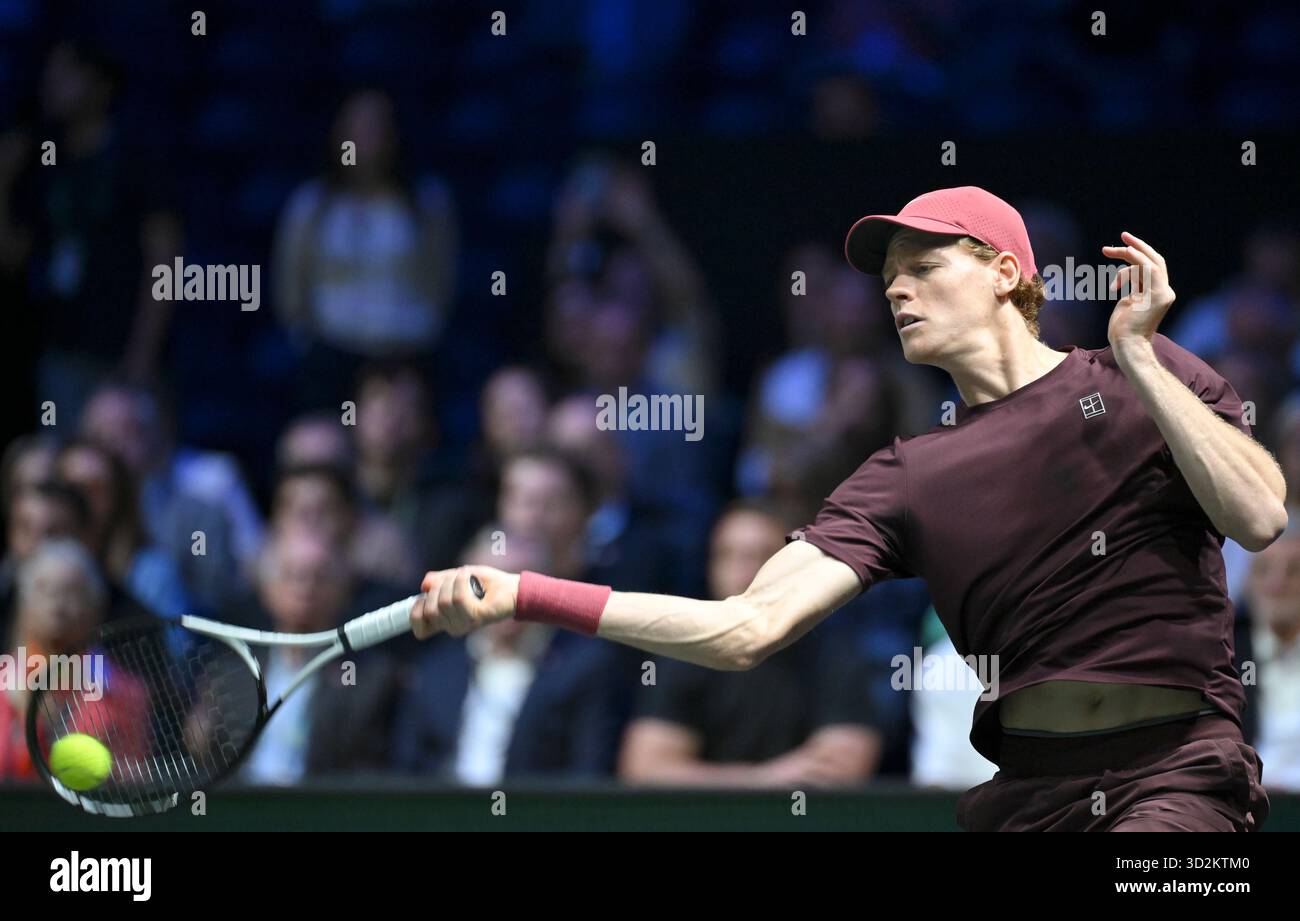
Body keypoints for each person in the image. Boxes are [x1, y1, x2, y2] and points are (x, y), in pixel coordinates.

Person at [410, 187, 1287, 832]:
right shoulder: (907, 474)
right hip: (1029, 798)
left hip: (1178, 780)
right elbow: (744, 626)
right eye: (889, 278)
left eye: (923, 268)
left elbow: (1259, 516)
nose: (895, 291)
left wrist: (1138, 358)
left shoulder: (1141, 376)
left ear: (1006, 273)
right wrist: (529, 591)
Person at [619, 501, 883, 787]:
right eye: (727, 556)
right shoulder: (683, 653)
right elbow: (645, 769)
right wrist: (765, 779)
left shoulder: (835, 655)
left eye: (761, 556)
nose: (742, 572)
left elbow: (842, 768)